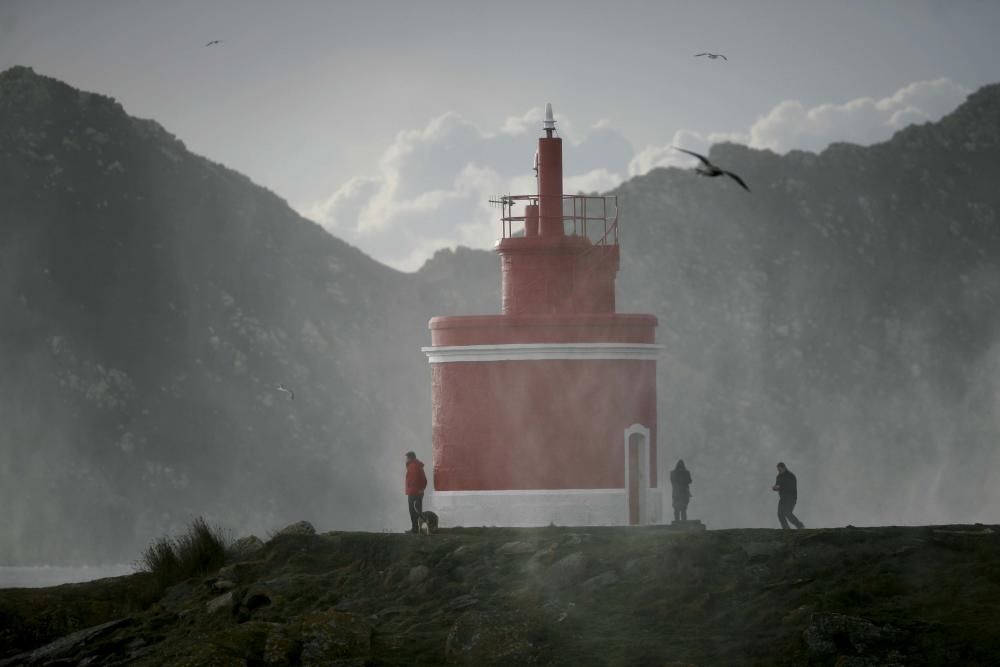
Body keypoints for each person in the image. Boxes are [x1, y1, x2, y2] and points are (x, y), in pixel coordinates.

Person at [772, 461, 805, 529]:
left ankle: (800, 526)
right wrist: (775, 488)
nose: (779, 471)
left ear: (784, 468)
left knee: (787, 513)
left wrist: (780, 487)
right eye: (778, 470)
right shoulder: (778, 476)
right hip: (783, 498)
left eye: (780, 470)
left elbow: (790, 487)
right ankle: (786, 528)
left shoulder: (791, 476)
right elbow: (778, 486)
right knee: (780, 514)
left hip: (791, 498)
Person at [404, 451, 428, 534]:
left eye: (407, 458)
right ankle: (420, 528)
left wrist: (414, 489)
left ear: (410, 458)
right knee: (418, 510)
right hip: (418, 492)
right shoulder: (418, 466)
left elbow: (413, 480)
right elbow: (424, 480)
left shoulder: (412, 466)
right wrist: (422, 489)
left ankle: (415, 529)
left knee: (413, 511)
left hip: (413, 492)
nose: (405, 460)